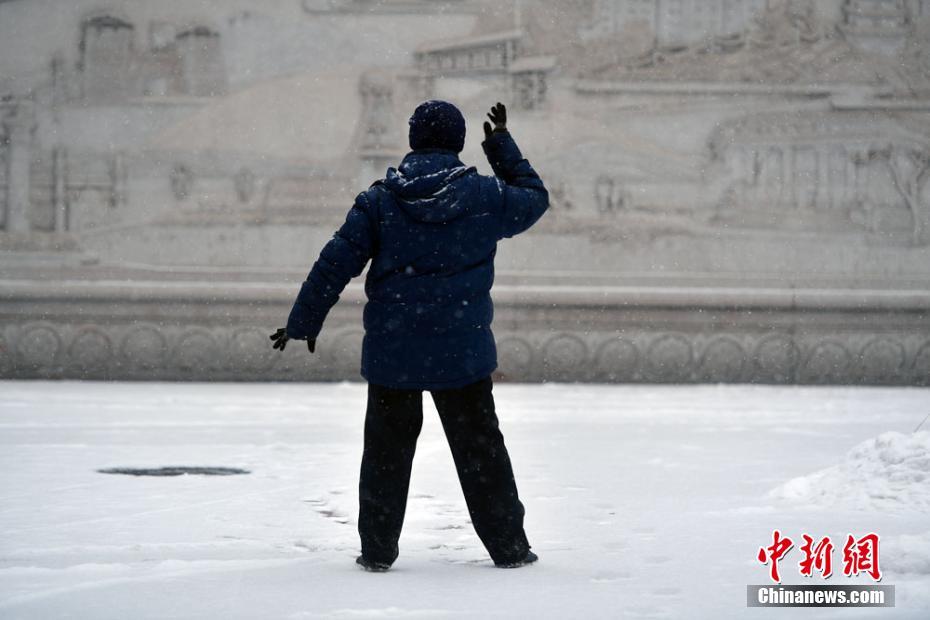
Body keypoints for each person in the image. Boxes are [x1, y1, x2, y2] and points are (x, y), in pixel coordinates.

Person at [270, 100, 549, 571]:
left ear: (413, 140)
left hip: (393, 351)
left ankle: (378, 552)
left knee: (386, 455)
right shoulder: (484, 198)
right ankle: (509, 549)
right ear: (459, 141)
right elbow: (535, 198)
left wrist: (303, 322)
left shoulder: (380, 200)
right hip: (462, 351)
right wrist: (501, 144)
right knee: (481, 453)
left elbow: (334, 262)